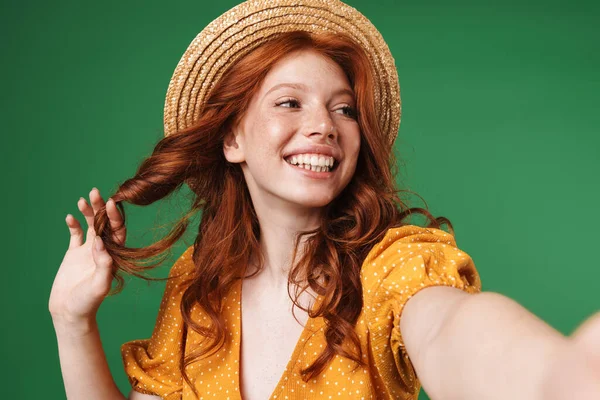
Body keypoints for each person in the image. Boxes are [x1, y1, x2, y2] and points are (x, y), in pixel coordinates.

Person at [49, 0, 600, 399]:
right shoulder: (200, 282)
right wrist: (72, 322)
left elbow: (450, 329)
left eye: (344, 109)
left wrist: (553, 377)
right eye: (290, 103)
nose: (324, 127)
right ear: (232, 140)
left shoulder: (393, 267)